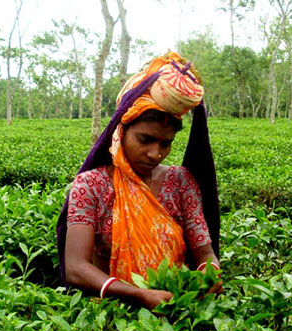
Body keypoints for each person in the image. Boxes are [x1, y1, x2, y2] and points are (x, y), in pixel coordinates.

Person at [56, 52, 221, 311]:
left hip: (177, 309)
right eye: (145, 140)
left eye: (166, 143)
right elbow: (76, 268)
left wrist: (209, 272)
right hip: (110, 313)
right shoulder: (90, 186)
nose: (156, 153)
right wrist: (137, 295)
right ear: (121, 131)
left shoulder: (180, 182)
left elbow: (205, 253)